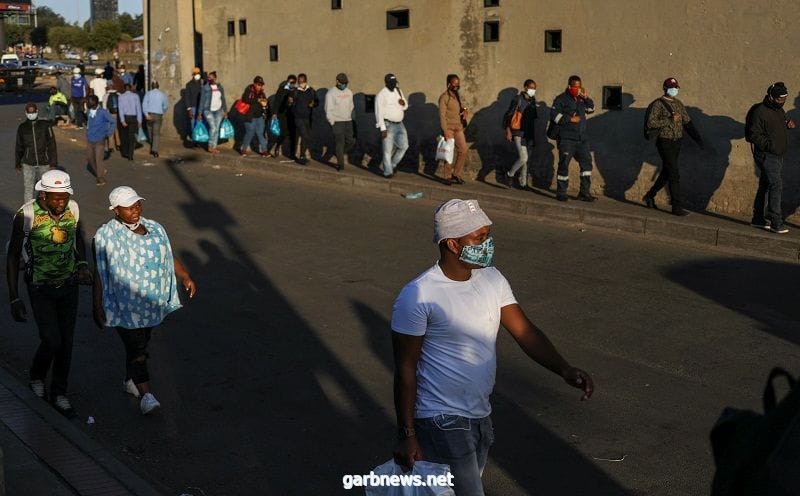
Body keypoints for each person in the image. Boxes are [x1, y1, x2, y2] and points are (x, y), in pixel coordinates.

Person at [391, 198, 594, 496]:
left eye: (488, 235)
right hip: (440, 419)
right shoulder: (418, 295)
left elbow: (524, 331)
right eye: (479, 237)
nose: (487, 243)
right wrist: (407, 433)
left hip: (480, 415)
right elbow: (405, 368)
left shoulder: (492, 278)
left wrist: (563, 368)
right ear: (452, 244)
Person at [93, 186, 197, 415]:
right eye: (128, 207)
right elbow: (100, 273)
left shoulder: (155, 229)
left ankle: (130, 381)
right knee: (136, 348)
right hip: (122, 306)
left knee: (141, 343)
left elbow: (167, 256)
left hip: (150, 305)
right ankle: (147, 396)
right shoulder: (106, 236)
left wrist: (184, 276)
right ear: (116, 211)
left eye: (137, 204)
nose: (135, 210)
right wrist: (97, 304)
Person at [5, 170, 93, 417]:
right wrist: (14, 296)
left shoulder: (72, 209)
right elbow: (12, 257)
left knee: (66, 343)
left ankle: (59, 393)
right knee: (52, 340)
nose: (60, 203)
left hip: (68, 285)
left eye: (64, 197)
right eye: (55, 198)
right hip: (39, 287)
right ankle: (36, 374)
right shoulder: (27, 215)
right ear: (42, 194)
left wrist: (83, 266)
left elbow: (78, 239)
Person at [642, 77, 704, 216]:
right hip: (664, 141)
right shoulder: (657, 104)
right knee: (674, 173)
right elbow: (651, 123)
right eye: (671, 87)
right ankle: (676, 206)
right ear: (665, 88)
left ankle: (650, 196)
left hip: (677, 141)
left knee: (667, 171)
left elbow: (687, 122)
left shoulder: (679, 104)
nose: (674, 90)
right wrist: (670, 120)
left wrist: (698, 139)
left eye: (676, 87)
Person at [745, 82, 797, 234]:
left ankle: (758, 219)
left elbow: (776, 125)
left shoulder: (779, 110)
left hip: (777, 155)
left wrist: (787, 124)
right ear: (771, 97)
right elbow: (754, 134)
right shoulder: (760, 111)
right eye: (780, 99)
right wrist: (770, 146)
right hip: (767, 155)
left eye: (785, 99)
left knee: (765, 185)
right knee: (776, 185)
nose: (783, 102)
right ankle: (776, 221)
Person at [549, 75, 597, 202]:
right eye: (575, 86)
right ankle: (561, 192)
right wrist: (570, 118)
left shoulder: (581, 100)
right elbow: (554, 115)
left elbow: (591, 109)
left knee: (586, 165)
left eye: (579, 86)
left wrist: (586, 97)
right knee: (564, 164)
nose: (577, 88)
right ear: (569, 86)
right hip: (567, 139)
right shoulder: (561, 99)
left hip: (582, 139)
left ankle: (584, 192)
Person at [15, 103, 58, 202]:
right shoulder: (22, 128)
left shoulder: (45, 125)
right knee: (28, 188)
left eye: (33, 112)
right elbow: (19, 146)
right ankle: (28, 212)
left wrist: (53, 163)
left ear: (37, 112)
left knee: (46, 188)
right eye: (29, 112)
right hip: (28, 163)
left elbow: (52, 144)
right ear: (26, 113)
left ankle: (45, 209)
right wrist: (17, 163)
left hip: (44, 163)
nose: (31, 114)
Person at [502, 79, 539, 189]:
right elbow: (508, 115)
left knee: (526, 160)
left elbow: (532, 120)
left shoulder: (532, 101)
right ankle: (509, 174)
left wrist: (533, 137)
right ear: (525, 87)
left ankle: (524, 184)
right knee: (523, 158)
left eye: (534, 88)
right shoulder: (518, 99)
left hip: (528, 134)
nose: (533, 90)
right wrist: (508, 130)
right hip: (518, 133)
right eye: (531, 87)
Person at [375, 73, 409, 179]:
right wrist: (382, 128)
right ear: (386, 83)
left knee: (404, 146)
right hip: (388, 124)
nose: (394, 85)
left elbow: (405, 106)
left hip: (400, 124)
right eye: (391, 83)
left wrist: (403, 103)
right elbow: (378, 113)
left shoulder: (398, 90)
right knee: (387, 150)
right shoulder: (381, 95)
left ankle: (393, 164)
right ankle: (388, 172)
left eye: (395, 83)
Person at [438, 74, 470, 185]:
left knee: (464, 149)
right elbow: (442, 115)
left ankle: (456, 174)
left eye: (458, 83)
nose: (457, 85)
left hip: (458, 127)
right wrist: (445, 130)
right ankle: (447, 176)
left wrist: (465, 110)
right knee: (449, 152)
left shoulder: (457, 95)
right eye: (454, 83)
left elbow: (462, 107)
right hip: (449, 128)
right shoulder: (444, 97)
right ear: (449, 84)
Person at [325, 73, 355, 171]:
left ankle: (339, 153)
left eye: (345, 83)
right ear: (337, 82)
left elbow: (351, 106)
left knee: (351, 141)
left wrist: (352, 117)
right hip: (337, 122)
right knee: (339, 143)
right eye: (342, 83)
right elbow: (328, 109)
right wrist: (332, 122)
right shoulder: (331, 93)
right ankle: (340, 165)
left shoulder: (349, 92)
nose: (344, 85)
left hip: (348, 121)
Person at [85, 94, 116, 185]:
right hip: (90, 139)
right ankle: (100, 171)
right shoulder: (89, 111)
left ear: (94, 102)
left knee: (98, 159)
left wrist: (109, 133)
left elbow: (113, 121)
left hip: (100, 139)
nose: (87, 103)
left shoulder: (103, 112)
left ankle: (100, 178)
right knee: (90, 158)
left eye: (88, 101)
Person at [239, 75, 270, 157]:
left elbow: (265, 103)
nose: (260, 86)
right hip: (250, 116)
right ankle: (243, 149)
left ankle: (264, 151)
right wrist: (257, 100)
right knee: (250, 133)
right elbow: (245, 99)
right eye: (258, 85)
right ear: (254, 84)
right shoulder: (249, 91)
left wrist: (265, 103)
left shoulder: (262, 93)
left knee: (260, 134)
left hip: (260, 117)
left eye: (261, 85)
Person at [291, 73, 318, 165]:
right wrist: (289, 102)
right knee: (305, 136)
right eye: (299, 81)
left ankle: (300, 155)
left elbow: (317, 101)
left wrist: (313, 104)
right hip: (298, 118)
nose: (300, 82)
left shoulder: (311, 91)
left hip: (308, 118)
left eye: (302, 80)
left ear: (306, 81)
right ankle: (302, 156)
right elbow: (290, 104)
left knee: (305, 137)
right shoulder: (295, 91)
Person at [268, 74, 297, 158]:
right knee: (279, 132)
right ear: (287, 81)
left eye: (293, 82)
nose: (291, 84)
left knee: (285, 133)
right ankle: (272, 147)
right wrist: (274, 113)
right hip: (281, 114)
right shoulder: (282, 89)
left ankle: (277, 146)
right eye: (290, 82)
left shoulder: (294, 91)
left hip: (290, 115)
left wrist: (292, 102)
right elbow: (276, 101)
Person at [199, 71, 228, 154]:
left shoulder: (220, 87)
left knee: (217, 129)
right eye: (208, 77)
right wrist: (200, 113)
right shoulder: (205, 88)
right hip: (208, 110)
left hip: (219, 111)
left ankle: (214, 147)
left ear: (215, 78)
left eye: (211, 77)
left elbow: (223, 99)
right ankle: (210, 146)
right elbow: (202, 100)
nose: (209, 78)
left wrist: (225, 111)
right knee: (213, 128)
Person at [142, 81, 169, 158]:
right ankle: (155, 150)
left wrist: (146, 114)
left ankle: (152, 143)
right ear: (158, 86)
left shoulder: (148, 94)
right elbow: (166, 105)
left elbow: (144, 105)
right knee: (156, 133)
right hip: (158, 114)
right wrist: (162, 111)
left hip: (149, 114)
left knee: (149, 130)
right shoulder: (162, 94)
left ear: (151, 86)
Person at [118, 83, 143, 161]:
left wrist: (122, 120)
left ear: (124, 89)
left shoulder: (121, 97)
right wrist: (140, 121)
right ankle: (130, 155)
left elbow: (120, 109)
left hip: (125, 117)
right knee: (131, 137)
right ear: (131, 88)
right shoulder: (136, 96)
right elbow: (138, 109)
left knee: (124, 136)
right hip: (133, 118)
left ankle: (125, 152)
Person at [183, 67, 203, 146]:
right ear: (193, 75)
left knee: (200, 123)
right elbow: (187, 97)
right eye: (196, 74)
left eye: (198, 74)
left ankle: (200, 139)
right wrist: (189, 109)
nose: (197, 75)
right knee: (193, 124)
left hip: (201, 107)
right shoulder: (189, 84)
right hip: (193, 107)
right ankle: (195, 141)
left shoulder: (202, 83)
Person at [103, 80, 121, 160]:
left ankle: (111, 146)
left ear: (108, 86)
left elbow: (104, 107)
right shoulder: (118, 94)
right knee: (117, 128)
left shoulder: (106, 95)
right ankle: (118, 144)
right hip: (117, 113)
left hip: (109, 113)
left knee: (110, 129)